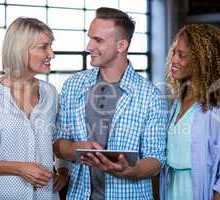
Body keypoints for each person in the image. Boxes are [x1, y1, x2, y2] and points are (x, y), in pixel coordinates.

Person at [53, 7, 167, 200]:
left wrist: (131, 170)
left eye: (98, 40)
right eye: (90, 38)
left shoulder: (151, 95)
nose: (89, 46)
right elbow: (57, 143)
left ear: (121, 45)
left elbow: (156, 159)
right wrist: (74, 149)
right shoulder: (73, 85)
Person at [0, 17, 68, 199]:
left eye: (51, 46)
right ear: (21, 50)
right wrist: (18, 168)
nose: (52, 54)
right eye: (44, 47)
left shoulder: (50, 92)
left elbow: (60, 138)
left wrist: (63, 171)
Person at [160, 24, 220, 200]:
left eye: (181, 55)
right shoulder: (177, 102)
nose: (173, 59)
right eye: (174, 52)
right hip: (171, 191)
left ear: (201, 61)